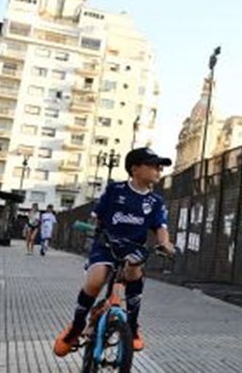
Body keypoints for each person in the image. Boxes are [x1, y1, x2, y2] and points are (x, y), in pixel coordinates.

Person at [53, 147, 175, 357]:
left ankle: (133, 326)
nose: (158, 170)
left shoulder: (156, 202)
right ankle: (76, 326)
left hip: (133, 249)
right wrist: (96, 229)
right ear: (135, 169)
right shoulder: (114, 190)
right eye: (153, 165)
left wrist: (166, 243)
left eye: (160, 166)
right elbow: (98, 217)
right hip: (106, 245)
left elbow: (160, 227)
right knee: (95, 281)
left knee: (134, 273)